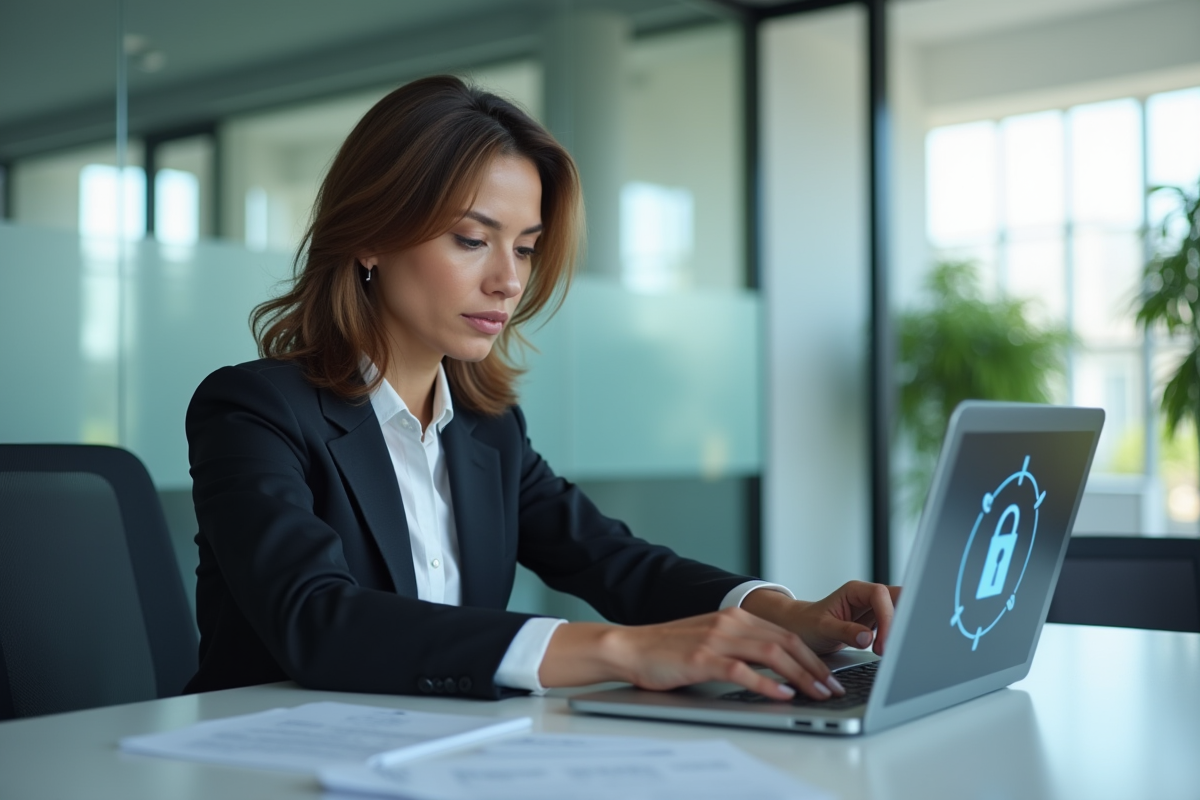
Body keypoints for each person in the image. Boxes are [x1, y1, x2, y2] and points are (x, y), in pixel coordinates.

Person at [184, 75, 899, 704]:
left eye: (524, 247)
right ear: (370, 237)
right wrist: (619, 650)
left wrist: (785, 613)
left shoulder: (487, 430)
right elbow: (316, 619)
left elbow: (613, 559)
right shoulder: (254, 411)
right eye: (472, 239)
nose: (509, 280)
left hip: (431, 750)